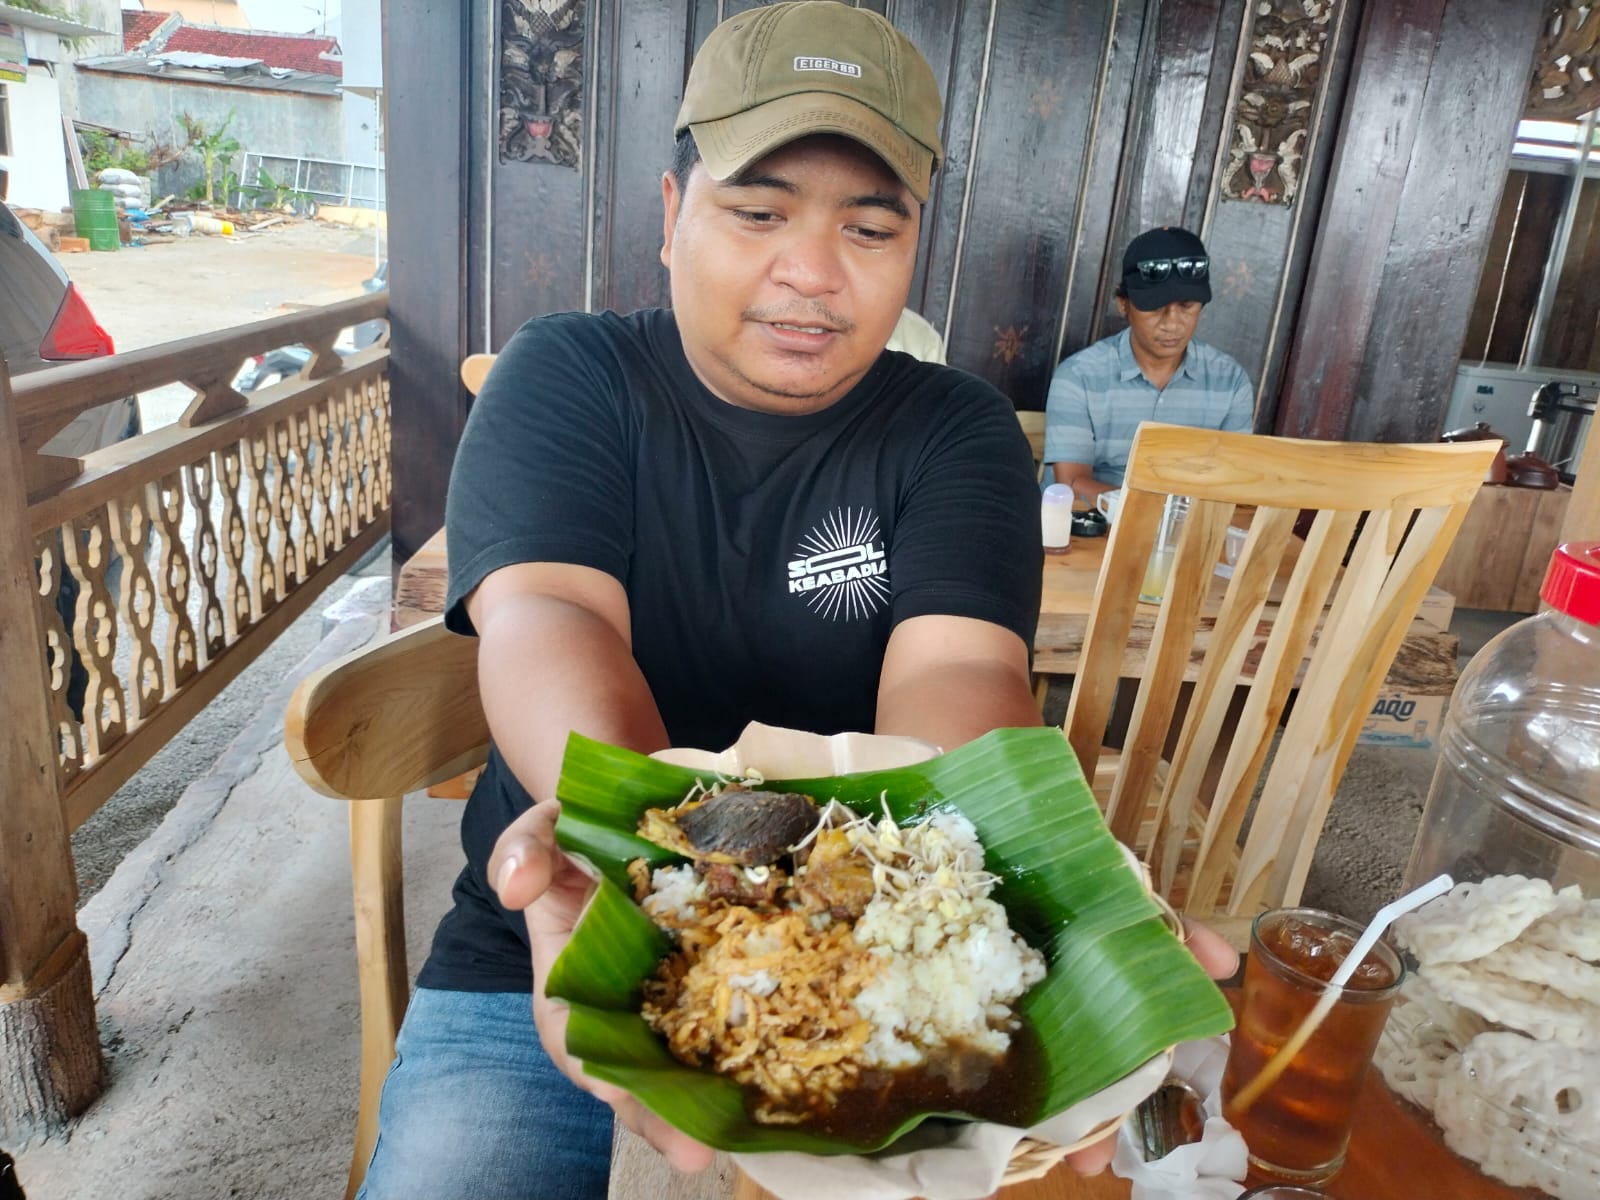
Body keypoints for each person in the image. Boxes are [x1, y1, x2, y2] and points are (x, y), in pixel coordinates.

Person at [356, 7, 1236, 1198]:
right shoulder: (570, 373)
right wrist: (657, 865)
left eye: (869, 228)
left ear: (913, 246)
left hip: (866, 939)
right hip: (561, 907)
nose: (812, 274)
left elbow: (953, 678)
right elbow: (549, 618)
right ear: (673, 219)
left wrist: (1037, 882)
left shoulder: (955, 429)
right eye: (759, 213)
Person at [1044, 226, 1255, 500]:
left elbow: (1232, 483)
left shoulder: (1230, 382)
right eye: (1156, 308)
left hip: (1185, 532)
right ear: (1123, 304)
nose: (1172, 323)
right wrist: (1158, 517)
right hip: (1095, 529)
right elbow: (1072, 484)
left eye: (1187, 306)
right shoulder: (1078, 378)